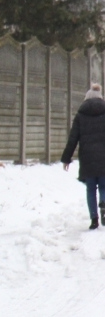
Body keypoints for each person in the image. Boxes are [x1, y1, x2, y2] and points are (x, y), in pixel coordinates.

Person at [62, 84, 105, 230]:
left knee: (91, 189)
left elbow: (73, 138)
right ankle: (104, 203)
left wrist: (66, 158)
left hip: (87, 159)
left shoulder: (81, 115)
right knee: (104, 186)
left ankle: (94, 219)